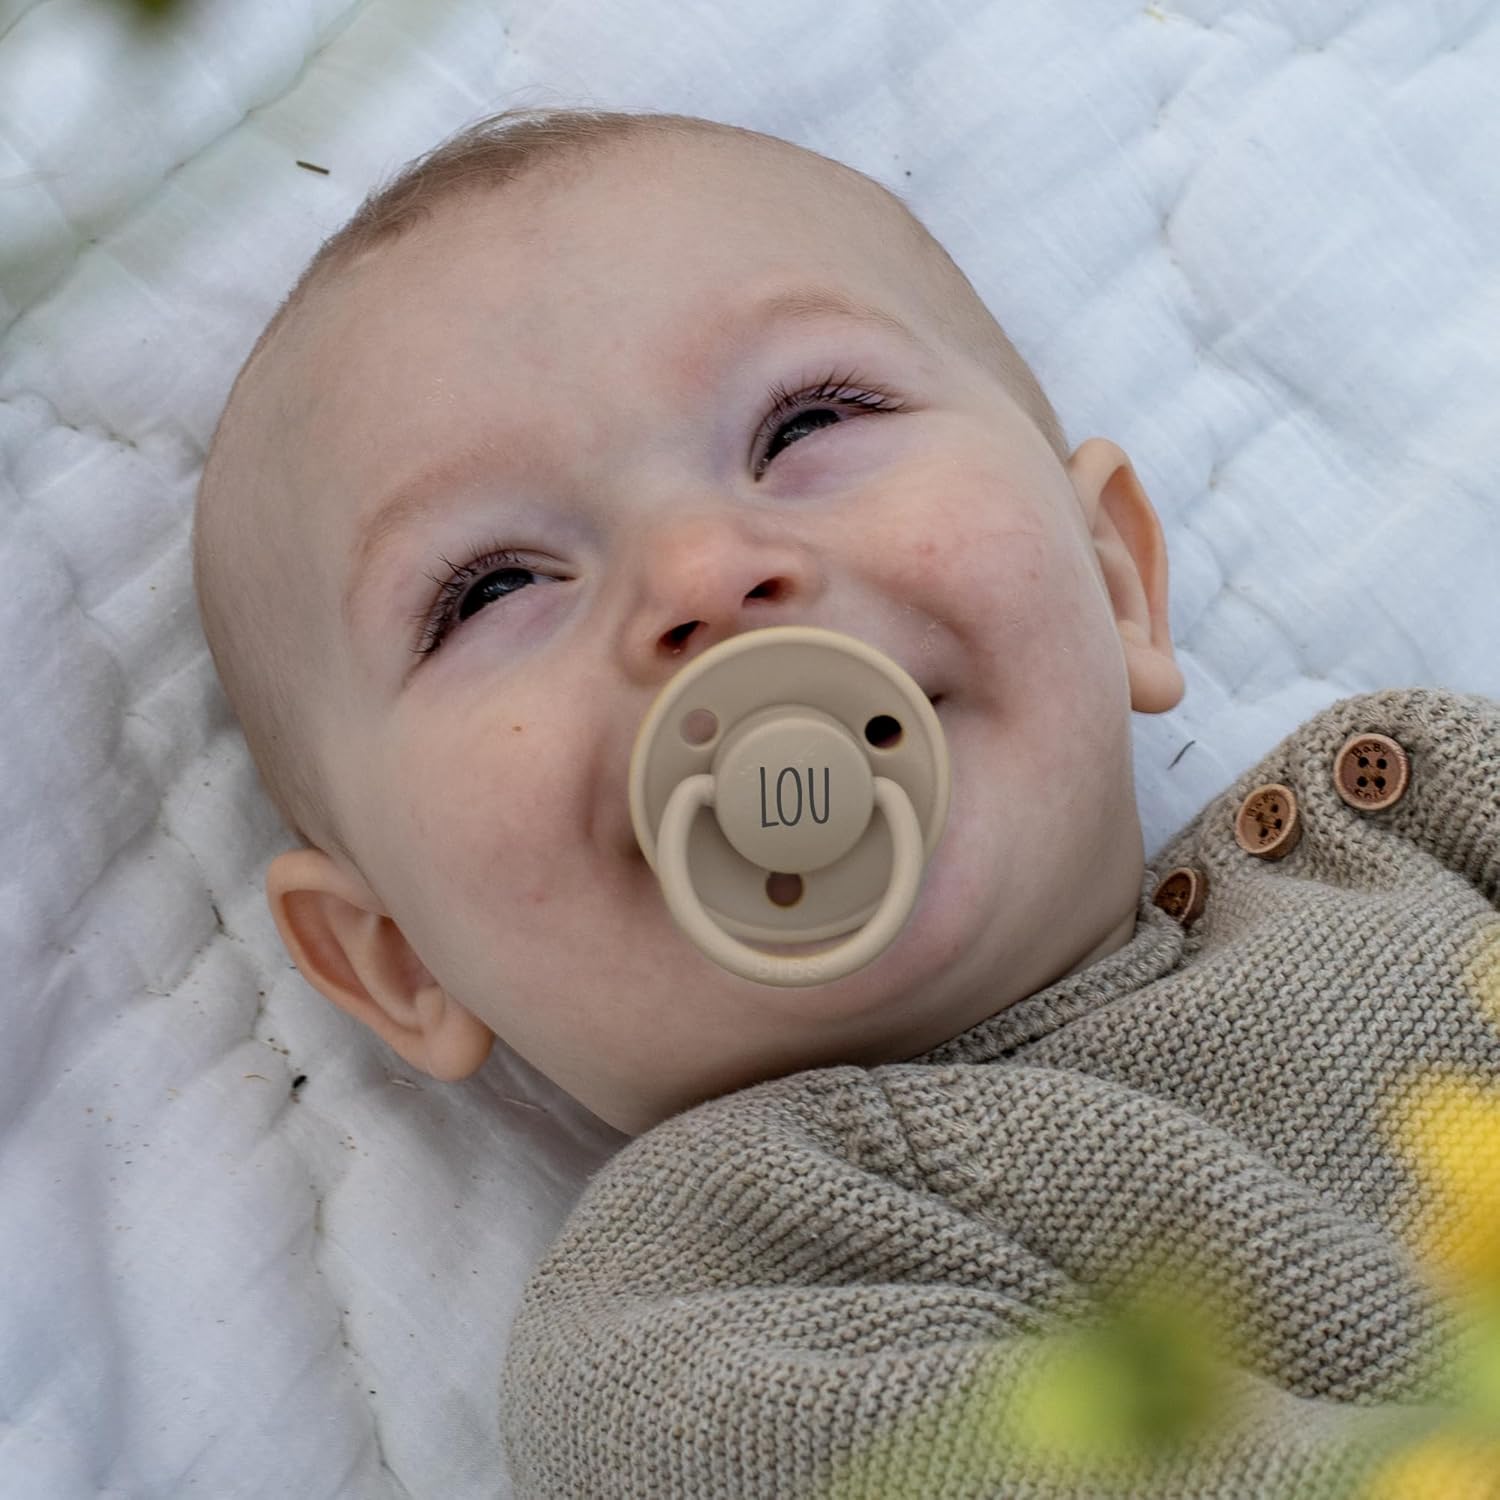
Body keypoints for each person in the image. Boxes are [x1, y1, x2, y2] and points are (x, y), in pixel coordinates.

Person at [193, 106, 1500, 1497]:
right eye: (493, 587)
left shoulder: (1415, 815)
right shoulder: (697, 1346)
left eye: (808, 421)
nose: (703, 572)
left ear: (1113, 584)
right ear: (398, 959)